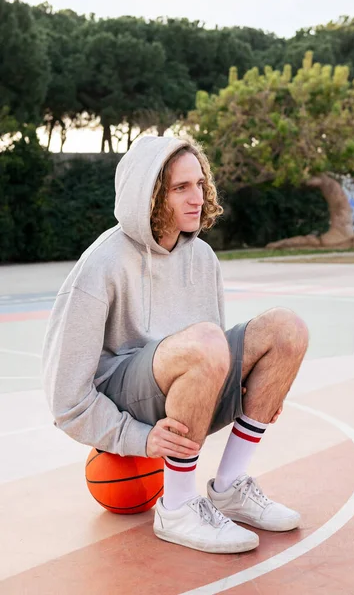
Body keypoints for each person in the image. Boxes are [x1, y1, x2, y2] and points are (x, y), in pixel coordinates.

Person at [42, 135, 309, 554]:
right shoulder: (102, 265)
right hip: (127, 398)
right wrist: (137, 438)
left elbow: (214, 358)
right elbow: (66, 401)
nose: (197, 197)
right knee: (206, 339)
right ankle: (179, 505)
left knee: (287, 328)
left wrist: (253, 393)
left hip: (180, 383)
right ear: (148, 196)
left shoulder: (202, 258)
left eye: (200, 185)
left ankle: (228, 488)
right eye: (180, 187)